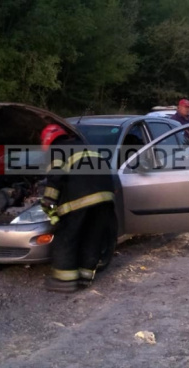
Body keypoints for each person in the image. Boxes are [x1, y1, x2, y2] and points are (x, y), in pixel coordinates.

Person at [40, 124, 116, 293]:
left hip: (80, 200)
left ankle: (63, 281)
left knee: (66, 237)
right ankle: (85, 278)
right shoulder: (88, 148)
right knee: (92, 237)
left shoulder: (58, 150)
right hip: (105, 198)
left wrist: (48, 202)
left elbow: (55, 177)